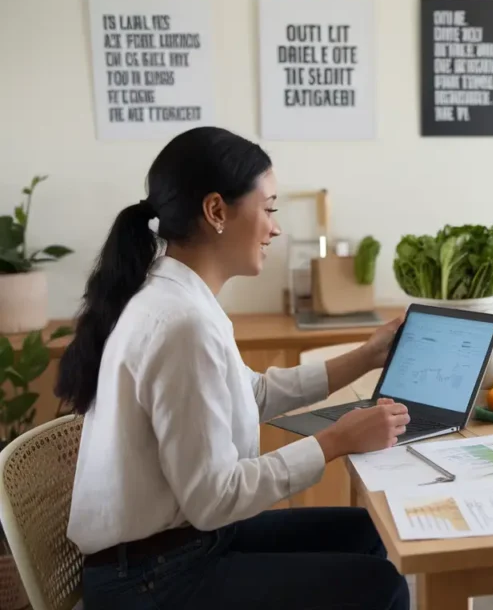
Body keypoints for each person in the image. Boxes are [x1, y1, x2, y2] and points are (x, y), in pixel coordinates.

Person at [56, 126, 411, 609]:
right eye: (269, 209)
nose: (276, 228)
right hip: (153, 581)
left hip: (176, 548)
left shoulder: (177, 296)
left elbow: (253, 394)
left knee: (366, 533)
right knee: (382, 587)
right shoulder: (181, 322)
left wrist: (366, 356)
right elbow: (214, 499)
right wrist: (336, 441)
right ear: (216, 211)